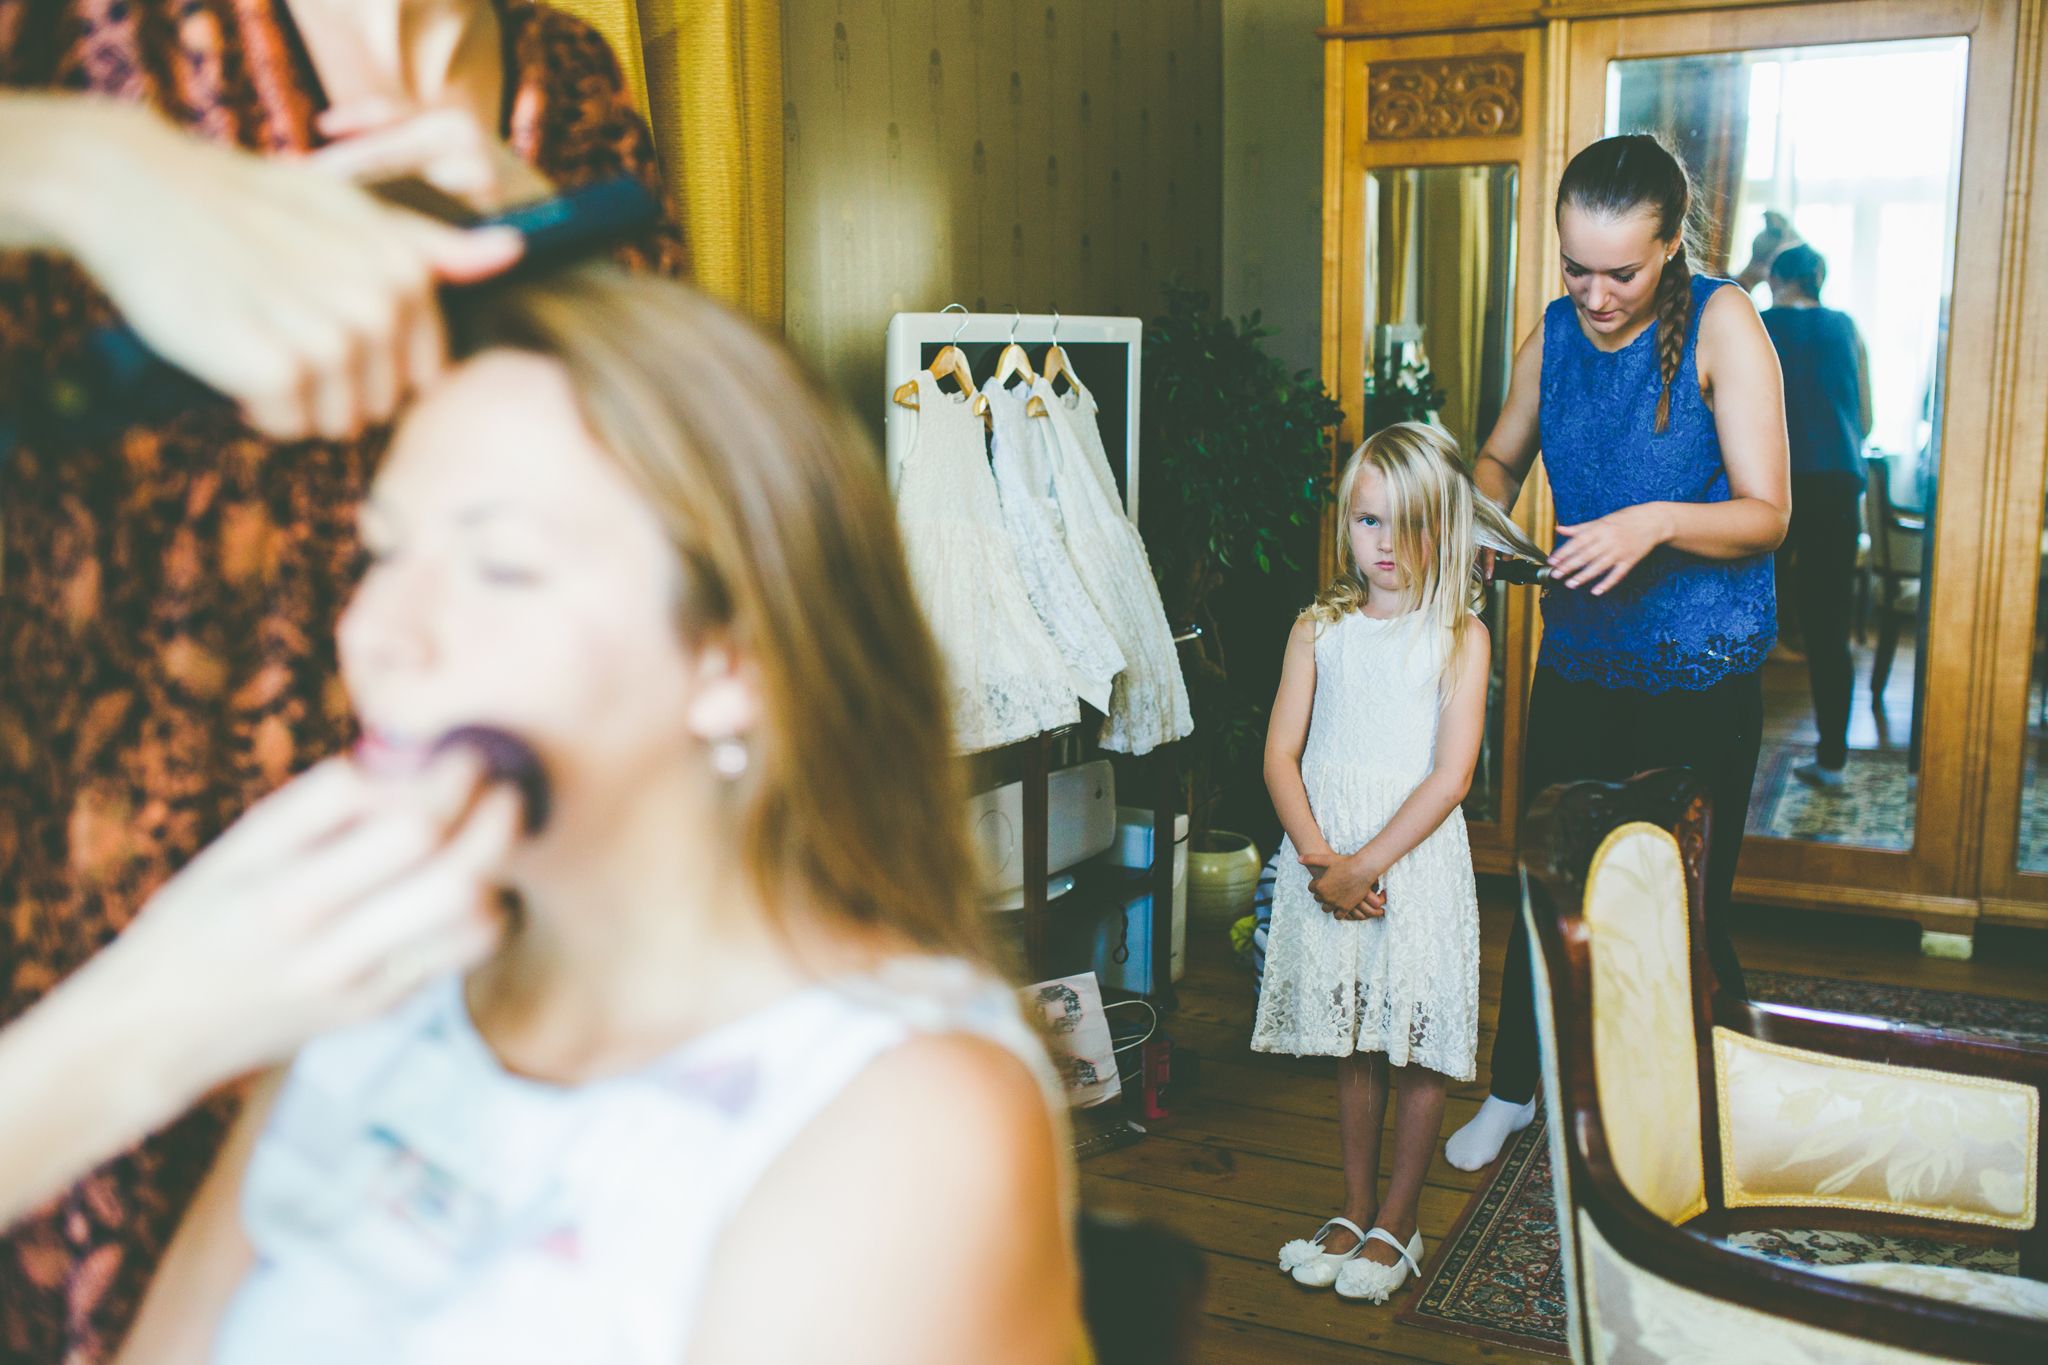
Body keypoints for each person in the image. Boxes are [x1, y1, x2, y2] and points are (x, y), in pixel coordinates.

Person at [108, 268, 1082, 1365]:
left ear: (732, 659)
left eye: (502, 567)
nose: (377, 630)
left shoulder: (899, 1122)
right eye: (381, 552)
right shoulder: (368, 996)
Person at [0, 4, 684, 1355]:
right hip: (71, 1024)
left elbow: (676, 515)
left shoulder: (573, 87)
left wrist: (572, 301)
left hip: (420, 1016)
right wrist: (74, 166)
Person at [1444, 133, 1790, 1173]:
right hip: (1580, 661)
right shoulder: (1554, 333)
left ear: (1672, 242)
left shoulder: (1724, 322)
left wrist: (1654, 521)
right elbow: (1499, 456)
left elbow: (1767, 513)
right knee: (1545, 889)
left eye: (1622, 273)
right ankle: (1513, 1089)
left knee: (1680, 911)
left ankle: (1707, 1114)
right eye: (1575, 268)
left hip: (1699, 673)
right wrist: (1480, 521)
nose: (1595, 296)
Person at [1254, 423, 1539, 1303]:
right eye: (1367, 520)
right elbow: (1280, 755)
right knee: (1353, 1038)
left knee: (1413, 1041)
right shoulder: (1319, 629)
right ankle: (1353, 1205)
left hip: (1409, 866)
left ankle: (1400, 1216)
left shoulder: (1460, 636)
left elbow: (1451, 777)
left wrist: (1365, 865)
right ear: (1347, 520)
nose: (1384, 544)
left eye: (1408, 523)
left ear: (1444, 527)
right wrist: (1321, 860)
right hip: (1329, 860)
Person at [1761, 244, 1873, 789]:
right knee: (1830, 624)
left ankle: (1731, 752)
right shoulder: (1846, 327)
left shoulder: (1759, 324)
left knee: (1746, 611)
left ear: (1775, 279)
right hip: (1837, 480)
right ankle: (1832, 759)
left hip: (1771, 484)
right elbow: (1865, 418)